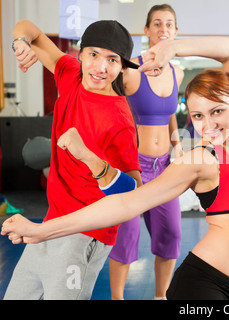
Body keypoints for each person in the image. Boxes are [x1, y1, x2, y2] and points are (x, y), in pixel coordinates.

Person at [2, 36, 229, 300]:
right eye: (198, 116)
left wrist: (173, 48)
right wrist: (43, 230)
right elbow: (127, 204)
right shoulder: (202, 159)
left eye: (217, 111)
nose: (208, 126)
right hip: (206, 286)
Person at [4, 19, 142, 300]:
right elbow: (28, 27)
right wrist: (20, 43)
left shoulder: (120, 121)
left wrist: (89, 158)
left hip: (85, 235)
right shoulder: (69, 73)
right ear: (79, 54)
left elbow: (134, 193)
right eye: (93, 54)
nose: (101, 67)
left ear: (122, 67)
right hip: (48, 224)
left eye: (112, 60)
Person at [109, 4, 184, 300]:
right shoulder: (130, 71)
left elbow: (170, 116)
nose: (163, 29)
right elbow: (109, 110)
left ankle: (160, 296)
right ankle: (117, 298)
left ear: (176, 32)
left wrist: (180, 147)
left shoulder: (177, 72)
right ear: (147, 31)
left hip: (166, 168)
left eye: (169, 24)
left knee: (171, 236)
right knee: (127, 237)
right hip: (133, 166)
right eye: (157, 23)